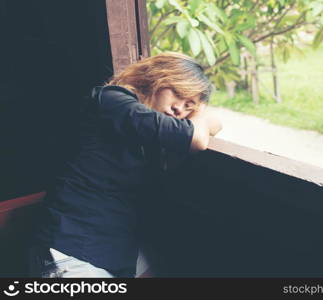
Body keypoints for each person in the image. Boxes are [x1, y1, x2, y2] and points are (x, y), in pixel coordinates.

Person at [27, 52, 222, 278]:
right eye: (178, 93)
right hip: (70, 249)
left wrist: (199, 110)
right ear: (157, 77)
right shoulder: (113, 100)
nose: (180, 109)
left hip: (113, 252)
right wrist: (203, 114)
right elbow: (196, 138)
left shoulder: (144, 134)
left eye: (189, 107)